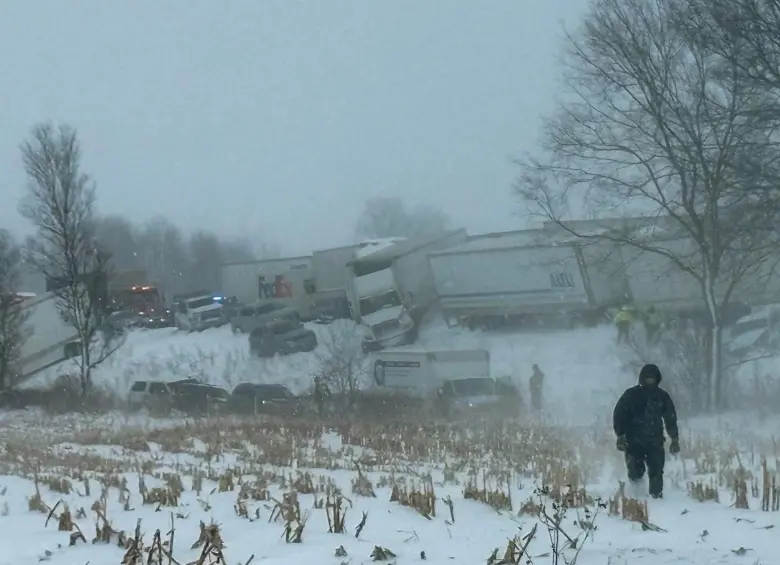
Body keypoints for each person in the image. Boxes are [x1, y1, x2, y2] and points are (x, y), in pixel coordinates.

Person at [613, 363, 680, 499]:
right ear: (642, 378)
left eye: (652, 378)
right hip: (633, 442)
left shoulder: (662, 396)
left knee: (656, 471)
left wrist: (674, 439)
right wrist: (620, 435)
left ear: (657, 379)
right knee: (635, 472)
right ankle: (637, 497)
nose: (650, 381)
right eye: (647, 378)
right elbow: (619, 415)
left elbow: (670, 417)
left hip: (655, 441)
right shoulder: (631, 395)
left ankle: (656, 498)